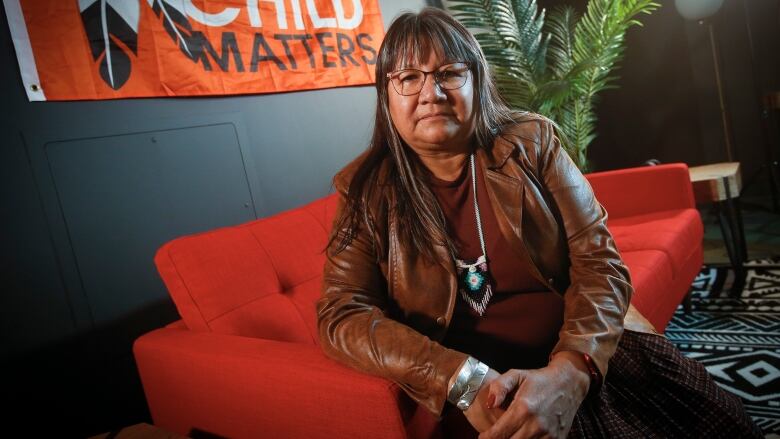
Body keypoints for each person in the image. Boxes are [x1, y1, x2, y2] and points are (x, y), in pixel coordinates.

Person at [317, 7, 763, 438]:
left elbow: (599, 260)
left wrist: (572, 369)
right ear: (385, 95)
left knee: (721, 418)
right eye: (408, 78)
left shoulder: (532, 143)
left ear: (476, 81)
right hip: (486, 396)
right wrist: (461, 379)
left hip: (577, 351)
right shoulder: (365, 191)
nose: (430, 93)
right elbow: (342, 314)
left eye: (449, 73)